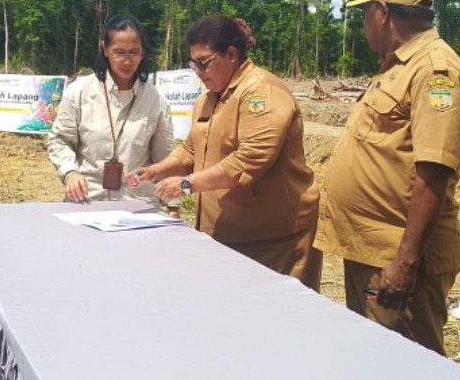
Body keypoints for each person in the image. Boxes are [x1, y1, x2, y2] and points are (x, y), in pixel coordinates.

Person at [313, 0, 460, 355]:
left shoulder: (435, 71)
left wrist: (405, 262)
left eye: (365, 13)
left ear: (383, 12)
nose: (363, 24)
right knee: (376, 358)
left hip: (395, 257)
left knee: (405, 362)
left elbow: (435, 172)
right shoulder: (399, 65)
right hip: (371, 250)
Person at [130, 16, 322, 291]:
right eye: (193, 64)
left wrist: (187, 184)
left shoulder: (260, 92)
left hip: (270, 241)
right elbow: (191, 149)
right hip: (224, 237)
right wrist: (155, 171)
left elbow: (251, 157)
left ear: (231, 54)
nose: (198, 72)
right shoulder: (208, 98)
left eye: (204, 62)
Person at [47, 14, 180, 216]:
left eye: (134, 52)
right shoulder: (79, 92)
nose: (127, 61)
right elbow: (60, 140)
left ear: (143, 52)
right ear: (105, 49)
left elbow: (165, 157)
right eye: (119, 52)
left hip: (138, 208)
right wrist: (70, 173)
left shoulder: (155, 100)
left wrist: (173, 206)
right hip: (86, 203)